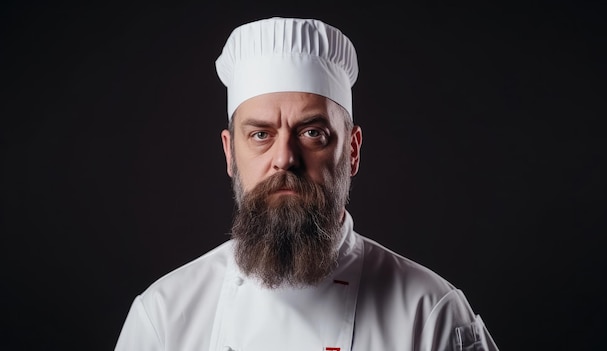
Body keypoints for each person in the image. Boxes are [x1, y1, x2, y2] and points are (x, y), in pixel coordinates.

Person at [115, 17, 500, 351]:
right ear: (231, 154)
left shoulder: (430, 313)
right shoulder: (163, 317)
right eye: (261, 135)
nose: (285, 158)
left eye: (312, 132)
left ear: (351, 150)